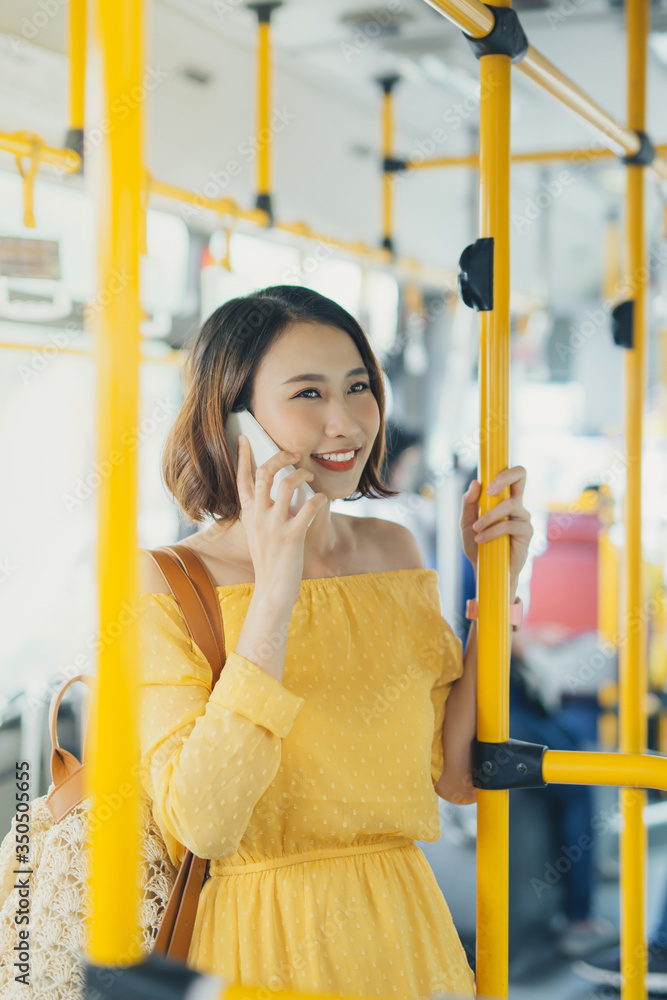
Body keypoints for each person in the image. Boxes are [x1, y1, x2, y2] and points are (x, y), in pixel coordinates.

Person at [137, 285, 534, 999]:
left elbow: (455, 773)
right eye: (307, 395)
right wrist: (276, 590)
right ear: (235, 425)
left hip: (406, 932)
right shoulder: (165, 581)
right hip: (259, 944)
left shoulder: (393, 548)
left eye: (358, 387)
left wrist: (499, 583)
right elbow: (203, 820)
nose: (345, 421)